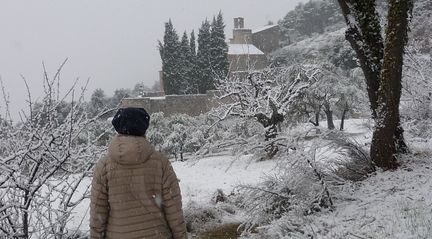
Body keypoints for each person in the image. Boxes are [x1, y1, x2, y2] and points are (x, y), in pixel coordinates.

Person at [90, 107, 187, 239]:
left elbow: (98, 213)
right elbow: (173, 207)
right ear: (144, 128)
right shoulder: (160, 162)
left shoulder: (104, 166)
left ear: (118, 128)